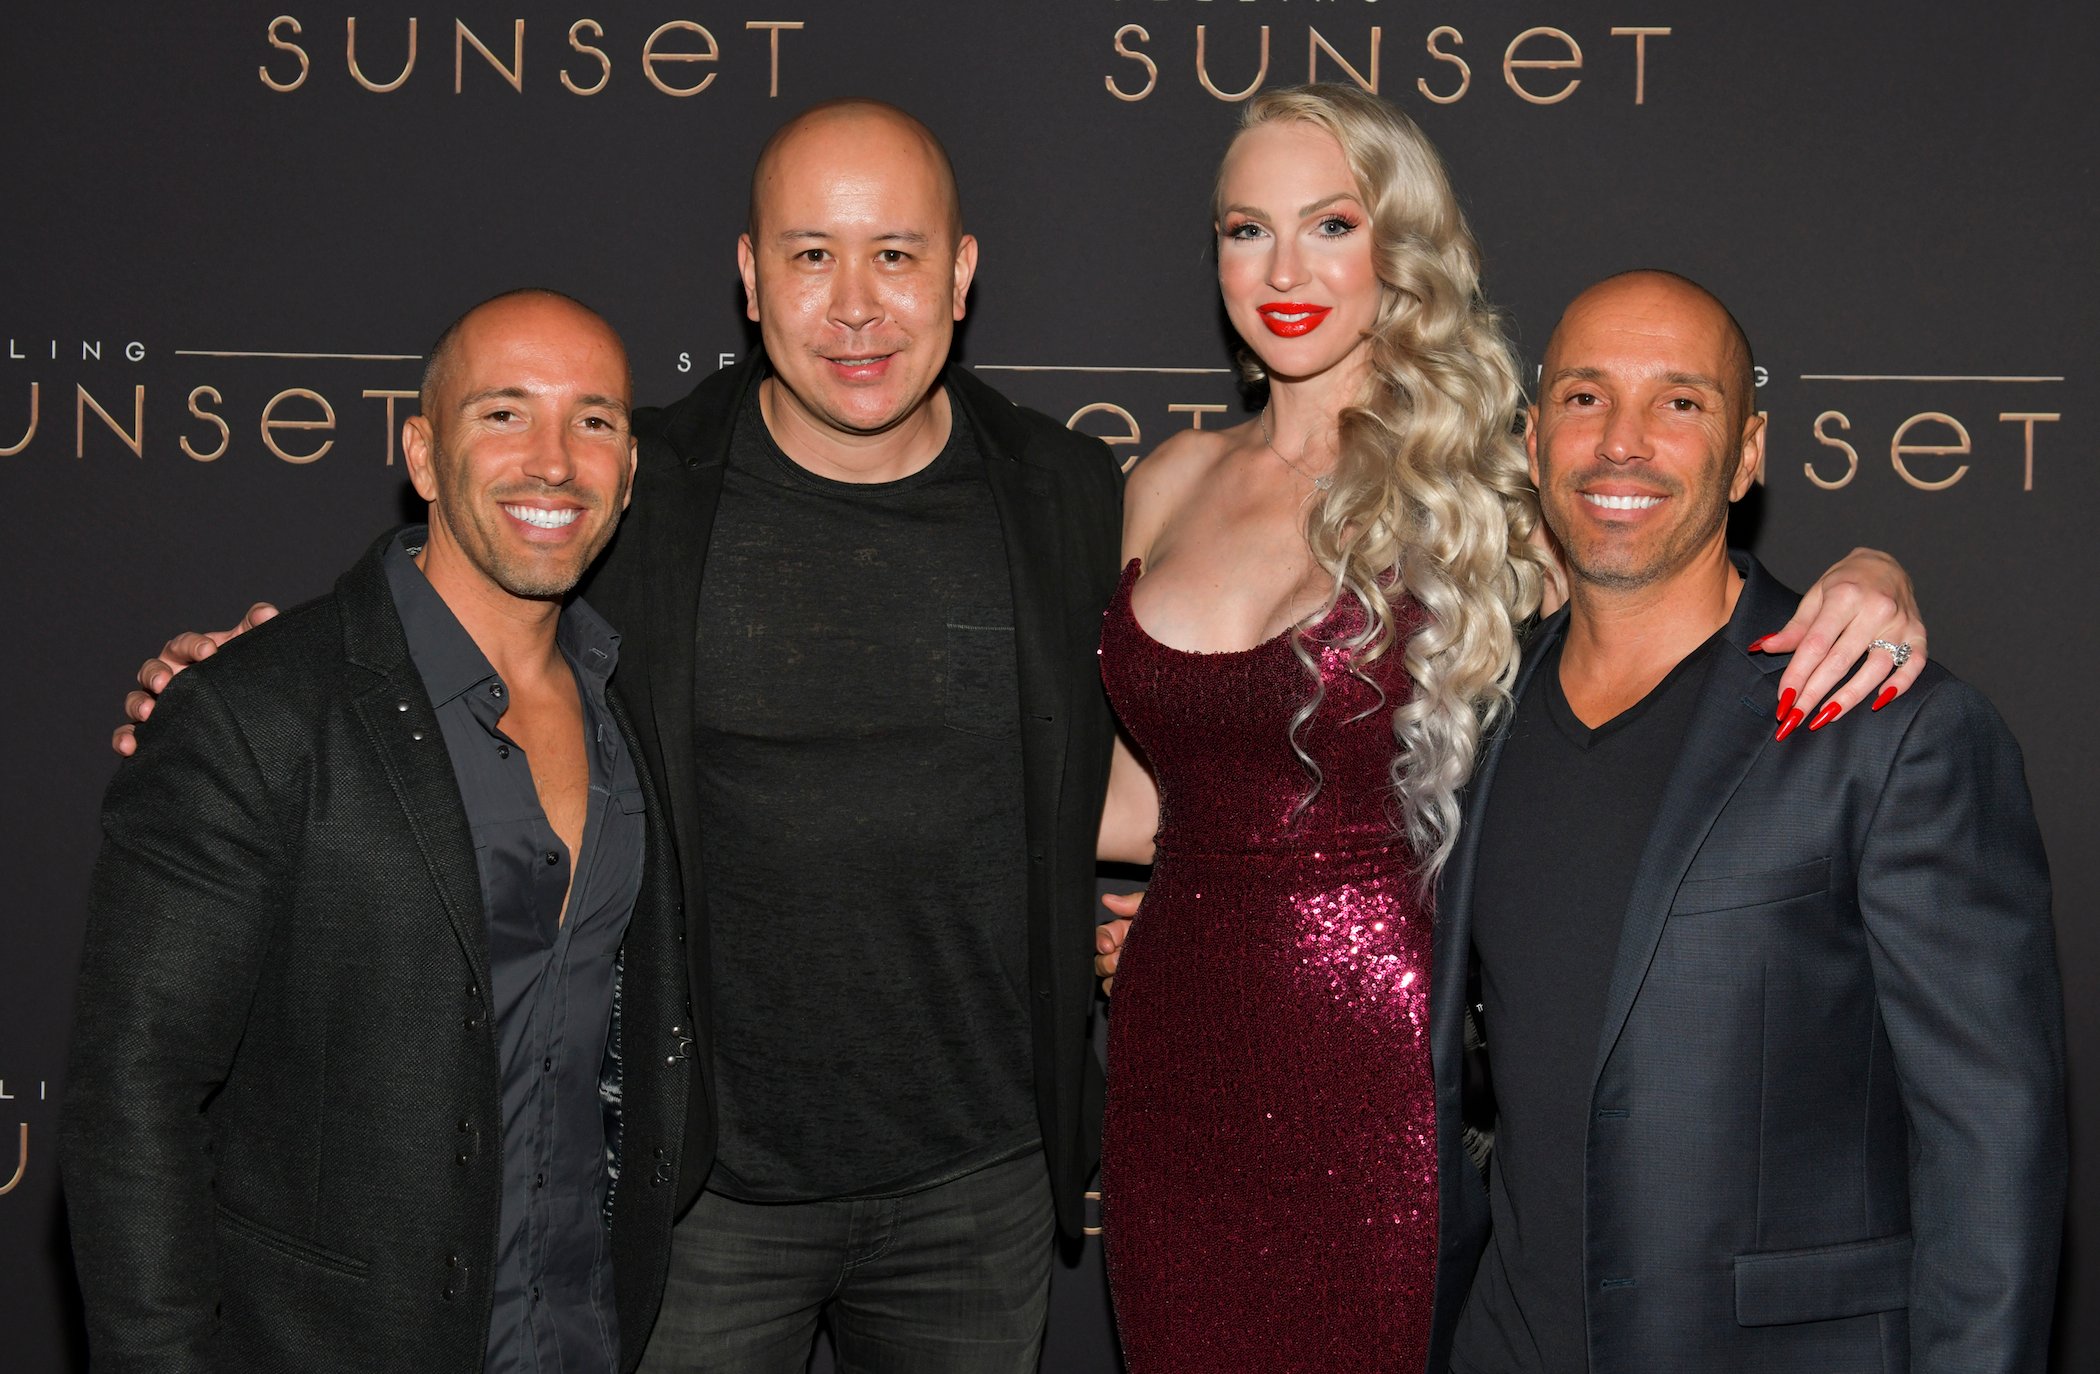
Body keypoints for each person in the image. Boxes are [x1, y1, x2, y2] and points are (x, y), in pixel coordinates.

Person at [112, 101, 1125, 1374]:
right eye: (812, 255)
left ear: (962, 274)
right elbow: (437, 611)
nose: (856, 305)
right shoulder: (638, 483)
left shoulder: (1070, 494)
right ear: (751, 280)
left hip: (979, 1187)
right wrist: (243, 675)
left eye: (897, 255)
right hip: (696, 1191)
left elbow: (1168, 735)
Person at [1089, 87, 1931, 1372]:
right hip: (1172, 1058)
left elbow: (1679, 625)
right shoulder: (1163, 480)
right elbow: (1139, 805)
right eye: (1245, 229)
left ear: (1401, 250)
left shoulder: (1486, 487)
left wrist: (1873, 570)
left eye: (1329, 224)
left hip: (1374, 1067)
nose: (1285, 269)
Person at [1420, 270, 2066, 1373]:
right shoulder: (1473, 718)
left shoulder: (1890, 730)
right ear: (1531, 442)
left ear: (1750, 451)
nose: (1623, 441)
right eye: (1585, 398)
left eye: (1681, 402)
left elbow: (1991, 1151)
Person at [62, 290, 693, 1373]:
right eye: (504, 413)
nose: (555, 460)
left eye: (594, 420)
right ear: (423, 454)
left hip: (586, 1338)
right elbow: (135, 1094)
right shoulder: (257, 711)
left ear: (629, 471)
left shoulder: (629, 707)